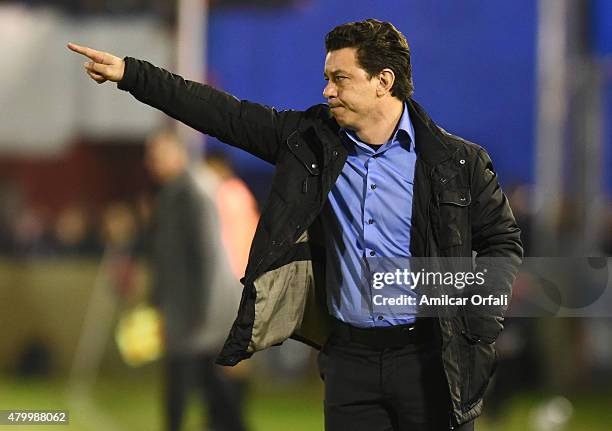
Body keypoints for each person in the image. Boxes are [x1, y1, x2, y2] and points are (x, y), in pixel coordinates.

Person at [68, 18, 523, 431]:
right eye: (327, 78)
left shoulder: (458, 161)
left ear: (384, 81)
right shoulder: (310, 142)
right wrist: (132, 74)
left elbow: (503, 243)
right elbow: (222, 114)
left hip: (430, 361)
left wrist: (480, 324)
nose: (327, 91)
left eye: (340, 79)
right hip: (350, 362)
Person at [144, 131, 247, 431]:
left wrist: (207, 310)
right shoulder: (172, 192)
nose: (150, 163)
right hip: (185, 307)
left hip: (197, 309)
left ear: (176, 155)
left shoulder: (192, 191)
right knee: (207, 380)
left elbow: (207, 252)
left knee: (190, 380)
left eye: (156, 155)